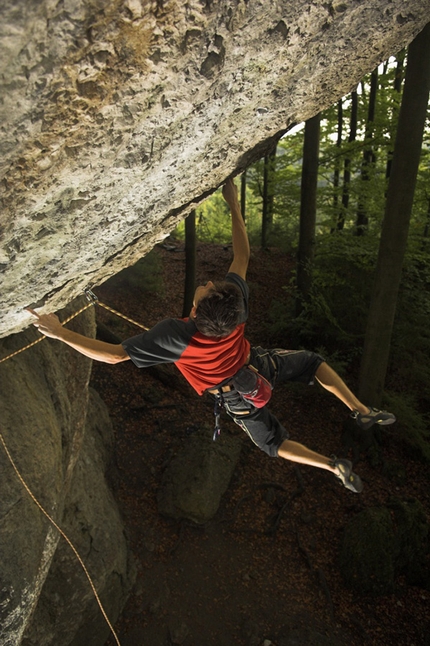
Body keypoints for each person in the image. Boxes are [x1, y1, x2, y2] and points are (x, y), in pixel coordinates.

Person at [28, 179, 396, 493]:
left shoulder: (176, 336)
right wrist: (234, 206)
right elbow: (243, 256)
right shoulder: (235, 306)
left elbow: (115, 355)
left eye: (204, 288)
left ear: (194, 314)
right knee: (312, 365)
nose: (205, 282)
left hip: (236, 395)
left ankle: (332, 466)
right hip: (256, 365)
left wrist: (60, 333)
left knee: (273, 442)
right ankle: (361, 411)